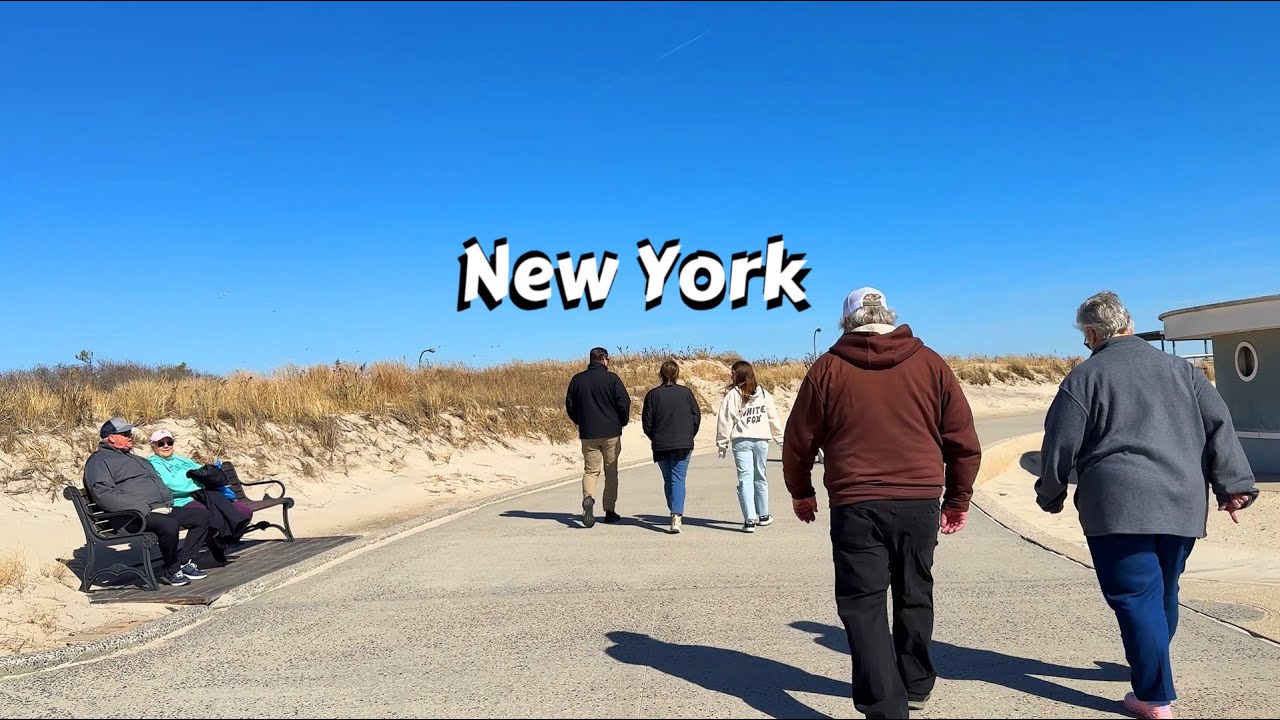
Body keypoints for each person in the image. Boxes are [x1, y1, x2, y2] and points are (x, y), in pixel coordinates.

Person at [1035, 291, 1259, 720]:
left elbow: (1059, 443)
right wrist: (1234, 486)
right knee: (1162, 592)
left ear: (1093, 333)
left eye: (1085, 336)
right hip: (1181, 502)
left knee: (1137, 597)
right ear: (1131, 326)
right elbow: (1219, 426)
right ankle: (1151, 664)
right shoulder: (1184, 371)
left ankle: (1154, 697)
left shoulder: (1085, 377)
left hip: (1116, 507)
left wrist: (1051, 493)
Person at [782, 287, 981, 719]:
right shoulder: (930, 364)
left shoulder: (827, 368)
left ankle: (886, 707)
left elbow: (799, 440)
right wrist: (957, 498)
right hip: (919, 499)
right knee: (915, 591)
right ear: (888, 315)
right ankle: (915, 683)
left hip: (856, 503)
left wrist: (801, 491)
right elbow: (962, 439)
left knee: (863, 604)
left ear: (846, 321)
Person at [82, 417, 213, 587]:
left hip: (159, 509)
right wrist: (143, 509)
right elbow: (104, 493)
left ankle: (183, 561)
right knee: (168, 525)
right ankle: (171, 570)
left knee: (202, 516)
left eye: (130, 433)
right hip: (131, 517)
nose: (131, 436)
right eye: (125, 434)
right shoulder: (99, 461)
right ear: (112, 438)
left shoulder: (133, 457)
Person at [147, 429, 253, 561]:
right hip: (182, 500)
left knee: (244, 512)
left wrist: (200, 478)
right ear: (153, 446)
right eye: (161, 444)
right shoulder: (153, 464)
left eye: (169, 442)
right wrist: (201, 481)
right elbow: (174, 484)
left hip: (206, 496)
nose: (166, 446)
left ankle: (218, 541)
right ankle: (184, 557)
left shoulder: (182, 460)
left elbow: (204, 472)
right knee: (208, 516)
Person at [715, 360, 785, 533]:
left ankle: (750, 520)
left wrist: (722, 443)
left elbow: (725, 420)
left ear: (739, 374)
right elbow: (772, 418)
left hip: (742, 440)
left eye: (733, 373)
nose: (731, 376)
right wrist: (780, 439)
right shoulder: (763, 394)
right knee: (760, 476)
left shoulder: (733, 395)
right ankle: (763, 515)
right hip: (760, 439)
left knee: (746, 478)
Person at [565, 346, 631, 527]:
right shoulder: (612, 379)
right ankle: (610, 511)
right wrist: (622, 421)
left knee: (591, 471)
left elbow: (570, 405)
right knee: (611, 471)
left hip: (589, 432)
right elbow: (624, 402)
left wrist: (579, 421)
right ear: (603, 360)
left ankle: (589, 498)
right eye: (608, 360)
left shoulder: (577, 380)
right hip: (611, 432)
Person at [641, 360, 702, 534]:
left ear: (661, 374)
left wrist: (655, 437)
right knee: (677, 479)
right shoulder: (686, 393)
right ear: (677, 374)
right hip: (681, 443)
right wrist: (689, 435)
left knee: (670, 479)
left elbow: (647, 423)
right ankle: (676, 513)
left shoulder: (653, 395)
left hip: (662, 444)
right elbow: (696, 417)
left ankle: (675, 510)